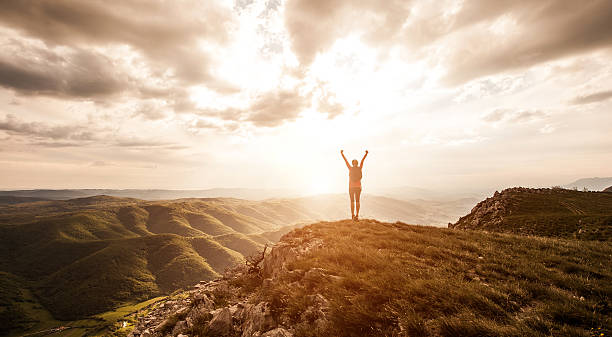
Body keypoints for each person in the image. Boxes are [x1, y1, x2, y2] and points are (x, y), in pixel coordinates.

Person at [341, 149, 368, 221]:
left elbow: (345, 161)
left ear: (352, 163)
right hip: (358, 187)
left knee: (352, 201)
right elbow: (363, 161)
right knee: (358, 201)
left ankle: (352, 215)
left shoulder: (350, 168)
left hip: (351, 187)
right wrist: (366, 154)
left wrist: (342, 154)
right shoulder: (360, 168)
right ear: (357, 163)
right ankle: (357, 215)